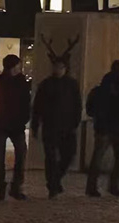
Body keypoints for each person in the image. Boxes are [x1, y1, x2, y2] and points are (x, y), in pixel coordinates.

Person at [31, 57, 82, 199]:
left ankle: (55, 179)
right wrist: (35, 125)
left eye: (61, 67)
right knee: (51, 157)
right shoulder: (46, 84)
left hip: (67, 126)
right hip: (50, 126)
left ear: (65, 69)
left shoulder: (71, 84)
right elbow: (37, 107)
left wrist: (75, 123)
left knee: (68, 155)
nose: (58, 70)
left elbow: (77, 105)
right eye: (56, 67)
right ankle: (52, 184)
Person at [85, 59, 119, 198]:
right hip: (116, 127)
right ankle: (113, 186)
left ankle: (92, 186)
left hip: (103, 127)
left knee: (98, 158)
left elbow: (90, 109)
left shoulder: (101, 89)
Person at [0, 54, 31, 201]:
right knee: (7, 157)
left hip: (10, 124)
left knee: (10, 157)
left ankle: (8, 188)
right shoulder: (15, 83)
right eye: (18, 65)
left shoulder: (0, 83)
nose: (20, 68)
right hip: (6, 124)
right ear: (13, 66)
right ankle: (8, 187)